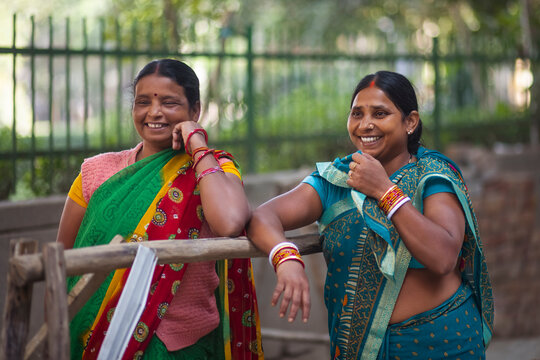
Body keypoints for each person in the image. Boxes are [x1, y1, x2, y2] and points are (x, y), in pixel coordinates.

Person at [247, 71, 493, 359]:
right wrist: (286, 258)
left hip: (441, 343)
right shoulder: (337, 180)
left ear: (410, 121)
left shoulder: (433, 176)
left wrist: (385, 191)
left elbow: (443, 258)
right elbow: (263, 217)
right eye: (357, 114)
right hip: (361, 350)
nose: (366, 125)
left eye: (380, 113)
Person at [57, 58, 263, 360]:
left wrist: (196, 143)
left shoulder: (215, 170)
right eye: (142, 102)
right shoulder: (96, 172)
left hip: (182, 345)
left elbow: (230, 222)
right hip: (98, 340)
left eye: (169, 102)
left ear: (195, 110)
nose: (154, 112)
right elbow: (62, 261)